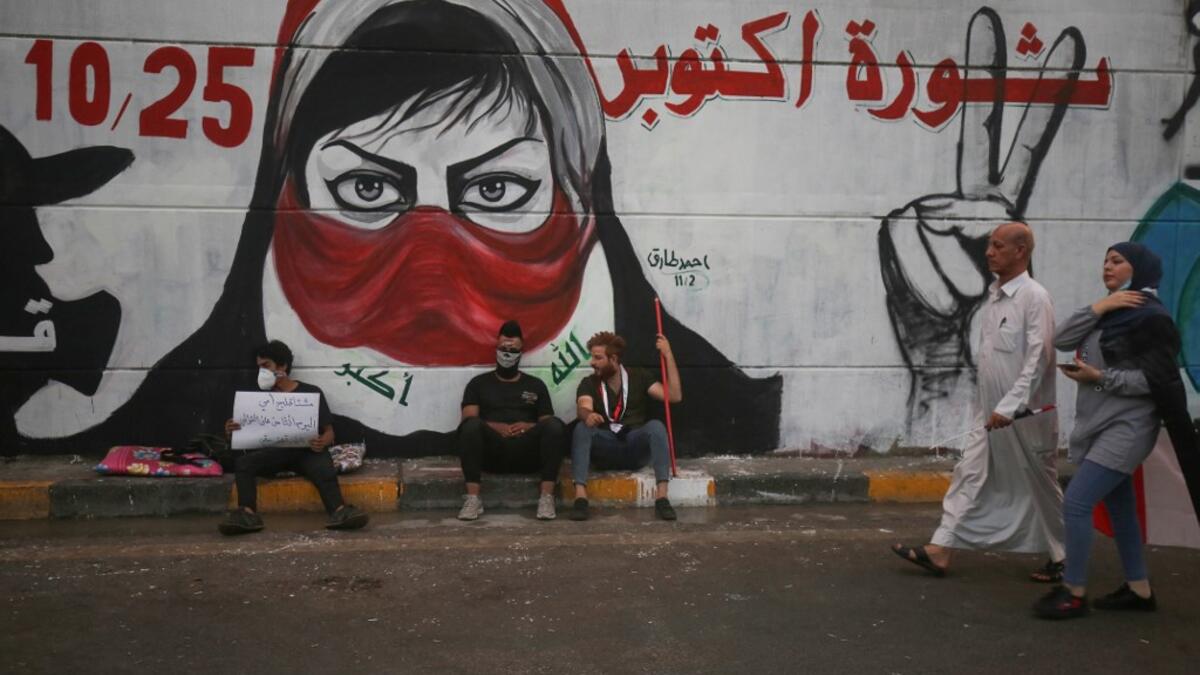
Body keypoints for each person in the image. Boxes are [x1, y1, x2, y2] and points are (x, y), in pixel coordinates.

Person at [82, 0, 780, 459]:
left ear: (581, 193)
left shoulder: (736, 413)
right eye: (367, 187)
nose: (431, 268)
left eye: (497, 188)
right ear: (284, 189)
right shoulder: (177, 408)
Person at [1033, 242, 1199, 619]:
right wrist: (1099, 306)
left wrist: (1101, 377)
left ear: (1138, 270)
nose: (1107, 266)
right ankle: (1139, 590)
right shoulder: (1111, 314)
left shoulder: (1151, 318)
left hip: (1128, 428)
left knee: (1076, 501)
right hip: (1100, 424)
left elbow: (1158, 379)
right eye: (1105, 260)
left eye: (1117, 261)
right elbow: (1061, 340)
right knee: (1121, 507)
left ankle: (1073, 592)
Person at [891, 222, 1065, 579]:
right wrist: (990, 405)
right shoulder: (995, 295)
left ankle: (1066, 559)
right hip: (989, 411)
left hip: (1024, 415)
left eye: (998, 246)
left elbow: (1039, 357)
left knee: (1040, 484)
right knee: (969, 471)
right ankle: (941, 548)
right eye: (989, 245)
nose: (989, 252)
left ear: (1021, 252)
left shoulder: (1034, 297)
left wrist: (1011, 405)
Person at [218, 340, 368, 535]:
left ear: (282, 366)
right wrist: (231, 430)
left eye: (266, 366)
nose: (261, 372)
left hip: (305, 453)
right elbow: (243, 433)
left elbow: (329, 431)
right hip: (271, 454)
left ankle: (339, 511)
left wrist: (323, 441)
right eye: (259, 367)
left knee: (323, 465)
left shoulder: (310, 392)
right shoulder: (255, 398)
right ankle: (246, 514)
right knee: (244, 464)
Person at [456, 320, 566, 520]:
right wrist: (496, 427)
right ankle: (472, 499)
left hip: (527, 453)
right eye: (503, 348)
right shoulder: (478, 384)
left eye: (513, 349)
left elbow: (547, 422)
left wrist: (527, 427)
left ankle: (546, 498)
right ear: (496, 349)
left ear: (521, 352)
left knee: (555, 426)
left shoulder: (536, 385)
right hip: (492, 453)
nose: (507, 353)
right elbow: (469, 418)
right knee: (470, 427)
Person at [570, 331, 680, 521]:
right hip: (605, 448)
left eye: (598, 358)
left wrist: (668, 355)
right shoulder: (589, 383)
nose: (592, 363)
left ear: (613, 359)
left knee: (656, 426)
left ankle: (662, 498)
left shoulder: (639, 376)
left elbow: (674, 396)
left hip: (633, 445)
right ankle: (580, 499)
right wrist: (588, 415)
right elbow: (583, 407)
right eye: (592, 357)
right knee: (581, 428)